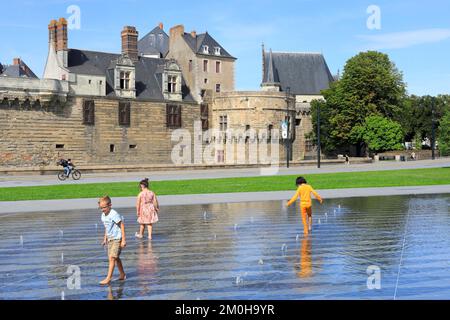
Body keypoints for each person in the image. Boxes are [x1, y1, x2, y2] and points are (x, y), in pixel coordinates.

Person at [99, 195, 126, 285]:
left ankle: (108, 278)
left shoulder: (113, 214)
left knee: (112, 258)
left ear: (110, 205)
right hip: (110, 239)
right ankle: (122, 274)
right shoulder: (103, 215)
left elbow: (121, 225)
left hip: (117, 238)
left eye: (104, 207)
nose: (103, 209)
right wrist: (105, 238)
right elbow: (107, 227)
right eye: (101, 208)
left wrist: (123, 240)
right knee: (116, 257)